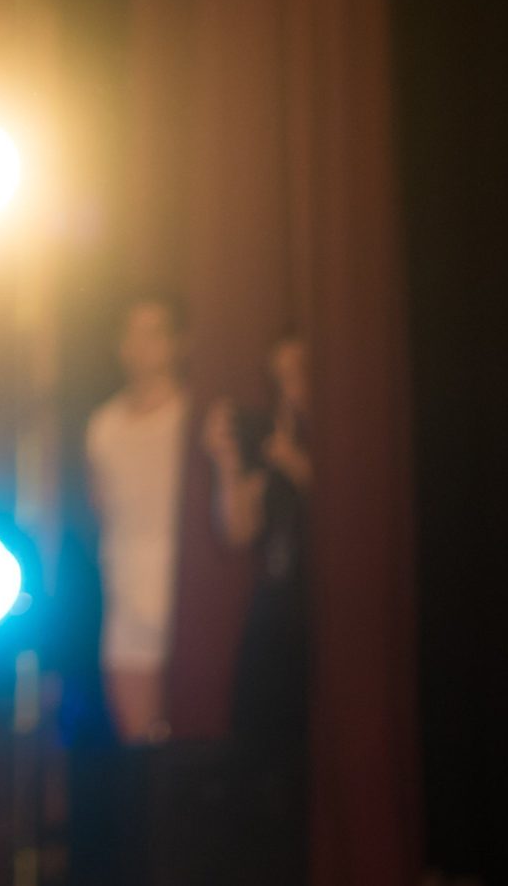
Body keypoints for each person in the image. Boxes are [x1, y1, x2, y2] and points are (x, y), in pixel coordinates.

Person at [204, 330, 310, 883]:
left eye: (301, 372)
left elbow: (350, 511)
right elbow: (238, 531)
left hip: (322, 621)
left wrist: (292, 459)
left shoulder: (339, 434)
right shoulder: (274, 440)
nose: (292, 388)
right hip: (273, 611)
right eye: (282, 376)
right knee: (257, 747)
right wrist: (226, 460)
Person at [85, 295, 191, 744]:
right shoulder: (104, 425)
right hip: (126, 595)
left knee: (190, 740)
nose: (140, 346)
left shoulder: (191, 414)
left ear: (176, 344)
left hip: (184, 593)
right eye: (132, 334)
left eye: (153, 334)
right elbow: (99, 509)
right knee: (138, 746)